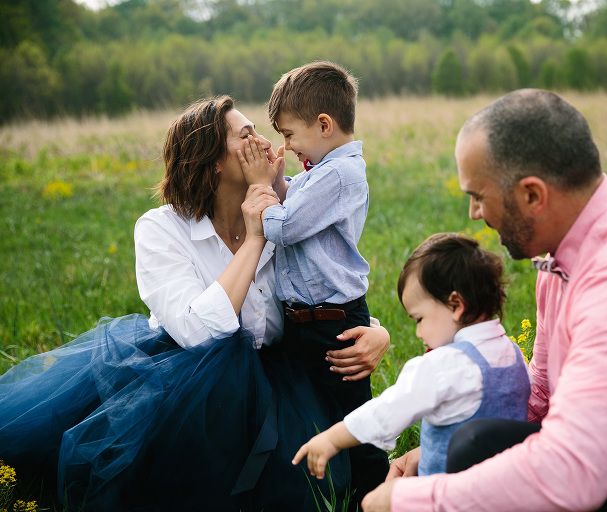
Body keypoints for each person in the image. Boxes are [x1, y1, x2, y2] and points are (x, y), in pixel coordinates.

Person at [362, 89, 607, 512]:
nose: (473, 213)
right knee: (473, 445)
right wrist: (437, 456)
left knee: (481, 455)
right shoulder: (561, 257)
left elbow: (573, 473)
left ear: (533, 195)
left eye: (479, 196)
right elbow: (540, 396)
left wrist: (413, 500)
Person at [0, 95, 390, 512]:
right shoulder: (160, 229)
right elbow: (198, 333)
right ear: (214, 161)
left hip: (283, 378)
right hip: (187, 384)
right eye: (246, 135)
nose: (264, 142)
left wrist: (378, 330)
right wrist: (256, 238)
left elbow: (326, 285)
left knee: (328, 478)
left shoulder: (291, 210)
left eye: (258, 130)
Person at [239, 60, 390, 500]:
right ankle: (326, 489)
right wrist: (274, 181)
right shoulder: (318, 173)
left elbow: (284, 226)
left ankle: (375, 496)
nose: (287, 145)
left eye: (289, 135)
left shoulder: (342, 174)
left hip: (333, 324)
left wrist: (256, 188)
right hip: (303, 321)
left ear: (324, 124)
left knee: (352, 417)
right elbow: (293, 203)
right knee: (308, 409)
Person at [292, 232, 530, 478]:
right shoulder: (514, 354)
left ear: (456, 305)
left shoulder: (443, 365)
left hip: (446, 494)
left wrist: (331, 439)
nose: (417, 332)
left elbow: (386, 413)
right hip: (506, 487)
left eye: (419, 319)